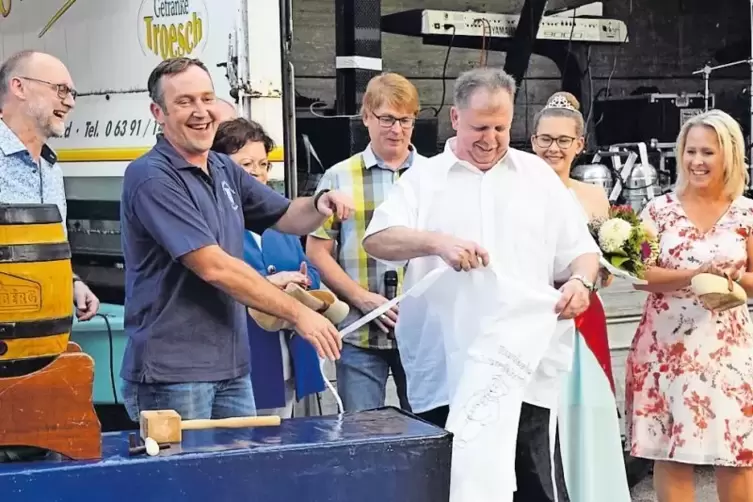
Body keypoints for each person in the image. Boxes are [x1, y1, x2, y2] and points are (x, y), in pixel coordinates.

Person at [362, 67, 600, 501]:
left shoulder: (537, 177)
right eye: (478, 127)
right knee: (454, 484)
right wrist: (437, 243)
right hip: (449, 364)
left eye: (500, 127)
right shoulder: (424, 179)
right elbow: (378, 240)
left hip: (523, 361)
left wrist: (581, 283)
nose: (489, 138)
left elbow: (582, 252)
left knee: (534, 482)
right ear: (454, 118)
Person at [119, 57, 353, 421]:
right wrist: (298, 313)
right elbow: (214, 268)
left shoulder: (222, 167)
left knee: (239, 476)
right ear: (158, 112)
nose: (201, 111)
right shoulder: (152, 177)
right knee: (187, 478)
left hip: (231, 369)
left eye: (207, 98)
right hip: (174, 375)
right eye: (185, 101)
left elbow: (287, 215)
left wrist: (321, 203)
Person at [626, 109, 753, 502]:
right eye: (690, 151)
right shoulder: (657, 211)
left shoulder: (747, 213)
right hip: (665, 350)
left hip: (727, 351)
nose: (697, 162)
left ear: (729, 155)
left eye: (708, 153)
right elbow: (639, 275)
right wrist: (695, 275)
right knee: (670, 453)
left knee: (737, 454)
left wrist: (729, 279)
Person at [530, 91, 631, 501]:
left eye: (563, 140)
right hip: (537, 314)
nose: (553, 148)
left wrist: (607, 269)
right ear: (532, 140)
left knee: (586, 409)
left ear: (580, 144)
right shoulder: (517, 189)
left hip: (585, 317)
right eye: (545, 139)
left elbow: (604, 261)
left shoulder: (592, 197)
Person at [306, 72, 423, 414]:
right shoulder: (338, 177)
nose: (396, 129)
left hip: (420, 332)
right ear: (366, 116)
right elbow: (317, 251)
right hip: (359, 331)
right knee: (362, 435)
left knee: (429, 433)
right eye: (387, 118)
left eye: (405, 120)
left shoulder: (434, 177)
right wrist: (360, 298)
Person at [211, 117, 326, 417]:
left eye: (264, 164)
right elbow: (217, 280)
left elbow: (309, 270)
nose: (257, 173)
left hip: (289, 357)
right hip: (243, 361)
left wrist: (301, 282)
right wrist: (269, 283)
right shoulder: (215, 221)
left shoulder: (277, 218)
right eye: (246, 163)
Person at [0, 50, 99, 321]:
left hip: (43, 338)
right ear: (18, 86)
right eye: (61, 90)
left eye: (72, 94)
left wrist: (71, 282)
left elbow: (46, 251)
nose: (70, 102)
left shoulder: (51, 169)